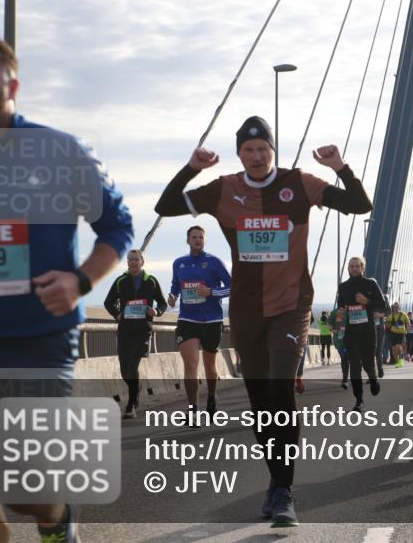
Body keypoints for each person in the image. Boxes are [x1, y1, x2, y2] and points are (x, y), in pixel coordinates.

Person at [0, 34, 134, 543]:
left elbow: (117, 227)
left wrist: (80, 281)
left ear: (12, 83)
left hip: (36, 339)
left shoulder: (58, 151)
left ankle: (57, 519)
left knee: (23, 488)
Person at [154, 115, 371, 527]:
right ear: (240, 154)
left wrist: (340, 168)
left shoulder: (300, 183)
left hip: (291, 306)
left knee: (281, 393)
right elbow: (164, 206)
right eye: (249, 150)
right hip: (247, 311)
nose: (256, 156)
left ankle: (284, 491)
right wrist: (192, 169)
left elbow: (360, 205)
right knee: (261, 407)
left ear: (274, 151)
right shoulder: (225, 190)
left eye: (263, 149)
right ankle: (276, 481)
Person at [167, 225, 231, 415]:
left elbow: (232, 287)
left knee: (210, 366)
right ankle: (193, 409)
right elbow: (175, 286)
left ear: (204, 240)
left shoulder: (214, 262)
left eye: (201, 237)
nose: (197, 240)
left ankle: (211, 395)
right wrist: (172, 296)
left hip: (211, 320)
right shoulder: (179, 263)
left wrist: (210, 292)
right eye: (194, 237)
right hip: (188, 319)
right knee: (191, 365)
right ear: (187, 240)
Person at [104, 249, 168, 419]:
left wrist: (156, 311)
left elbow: (162, 303)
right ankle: (136, 388)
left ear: (142, 262)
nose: (133, 262)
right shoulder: (121, 281)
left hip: (143, 330)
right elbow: (108, 302)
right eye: (130, 259)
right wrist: (117, 314)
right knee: (125, 370)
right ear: (127, 262)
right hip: (125, 330)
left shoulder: (151, 281)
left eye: (136, 259)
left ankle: (131, 404)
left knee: (133, 366)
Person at [336, 256, 387, 412]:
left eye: (357, 266)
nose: (354, 268)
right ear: (348, 269)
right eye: (352, 266)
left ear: (362, 268)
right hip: (351, 332)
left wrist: (367, 302)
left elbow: (383, 306)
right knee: (355, 367)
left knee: (367, 363)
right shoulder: (343, 287)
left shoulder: (371, 284)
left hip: (368, 331)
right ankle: (359, 400)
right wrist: (341, 313)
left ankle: (373, 379)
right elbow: (340, 306)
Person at [385, 302, 409, 368]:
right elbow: (387, 324)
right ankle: (398, 361)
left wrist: (406, 330)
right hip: (393, 333)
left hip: (401, 334)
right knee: (394, 350)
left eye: (397, 307)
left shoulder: (403, 315)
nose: (395, 308)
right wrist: (388, 324)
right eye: (394, 307)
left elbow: (407, 323)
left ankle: (401, 361)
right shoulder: (390, 316)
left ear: (399, 307)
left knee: (398, 346)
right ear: (392, 308)